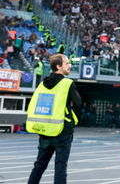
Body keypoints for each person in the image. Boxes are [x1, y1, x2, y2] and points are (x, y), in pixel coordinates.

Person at [26, 54, 81, 184]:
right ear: (58, 66)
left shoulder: (42, 84)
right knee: (60, 167)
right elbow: (78, 103)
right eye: (67, 63)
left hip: (45, 130)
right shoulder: (67, 83)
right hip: (62, 131)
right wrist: (70, 103)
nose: (70, 66)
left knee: (39, 166)